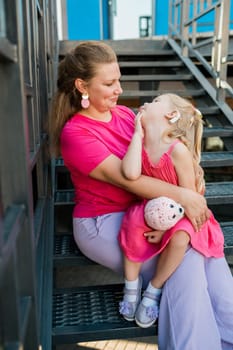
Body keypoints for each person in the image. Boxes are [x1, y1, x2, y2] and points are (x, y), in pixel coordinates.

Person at [48, 41, 233, 349]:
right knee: (184, 261)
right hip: (103, 221)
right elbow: (127, 178)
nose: (119, 89)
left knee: (206, 250)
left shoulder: (122, 114)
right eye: (109, 83)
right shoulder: (76, 134)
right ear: (82, 86)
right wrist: (185, 197)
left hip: (151, 209)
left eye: (119, 79)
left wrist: (190, 165)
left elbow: (163, 146)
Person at [118, 94, 226, 329]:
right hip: (152, 209)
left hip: (184, 214)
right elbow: (131, 174)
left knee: (180, 238)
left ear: (170, 115)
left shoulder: (178, 151)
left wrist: (166, 229)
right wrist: (137, 135)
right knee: (132, 222)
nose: (146, 103)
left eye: (155, 102)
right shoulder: (141, 142)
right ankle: (131, 284)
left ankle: (154, 288)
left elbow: (190, 198)